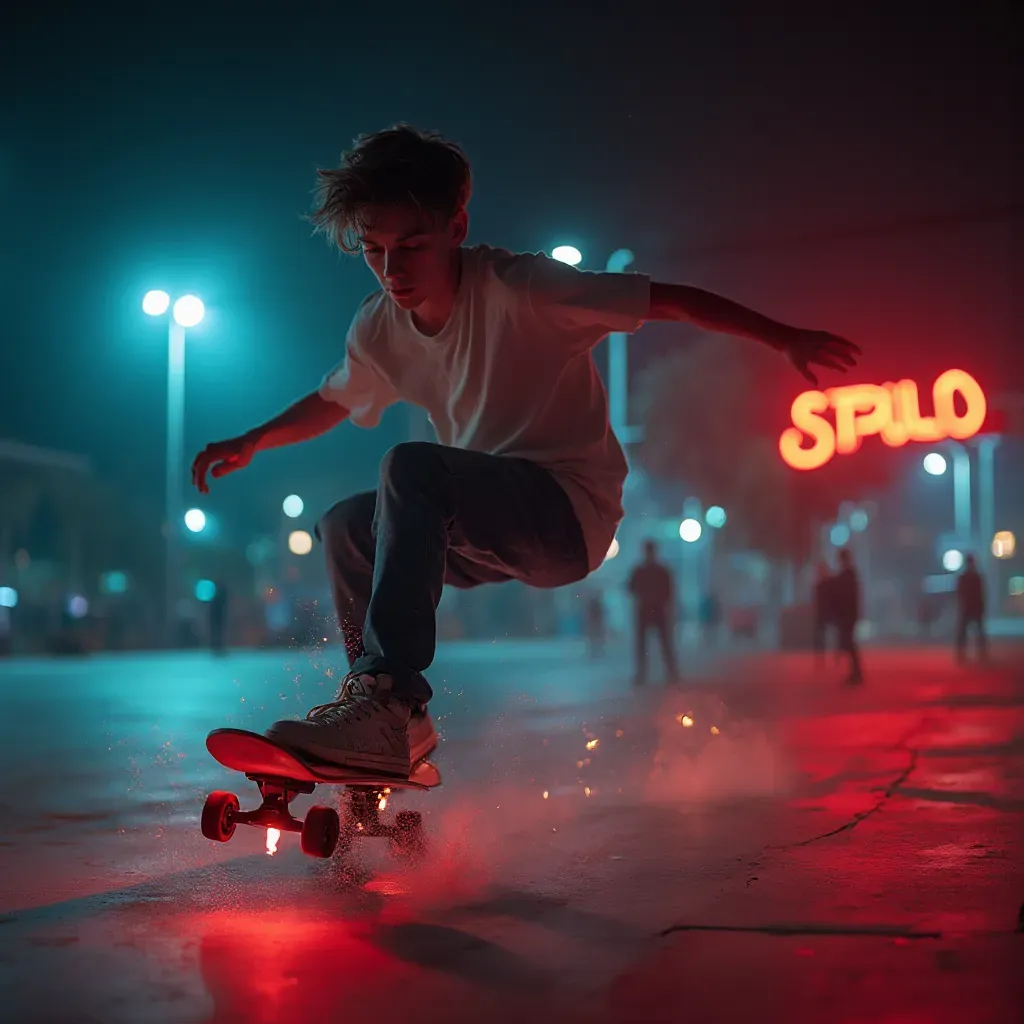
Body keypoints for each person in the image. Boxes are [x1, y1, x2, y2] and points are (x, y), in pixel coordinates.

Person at [190, 125, 860, 777]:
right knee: (343, 526)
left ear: (456, 227)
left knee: (412, 466)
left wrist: (783, 337)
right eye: (374, 250)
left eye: (412, 246)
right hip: (476, 522)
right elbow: (334, 399)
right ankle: (386, 715)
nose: (393, 271)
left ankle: (388, 700)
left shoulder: (524, 288)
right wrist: (253, 440)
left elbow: (670, 302)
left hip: (565, 515)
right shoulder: (380, 328)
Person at [627, 539, 679, 684]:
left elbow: (630, 588)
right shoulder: (660, 570)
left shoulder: (641, 570)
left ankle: (646, 674)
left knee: (653, 644)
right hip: (654, 609)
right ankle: (670, 672)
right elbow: (670, 592)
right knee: (663, 643)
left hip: (648, 609)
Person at [832, 548, 864, 684]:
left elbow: (847, 596)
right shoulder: (849, 575)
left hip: (848, 615)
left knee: (849, 643)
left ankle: (857, 673)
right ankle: (856, 672)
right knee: (849, 642)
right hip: (849, 614)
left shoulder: (848, 575)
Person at [955, 554, 988, 663]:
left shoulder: (964, 577)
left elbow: (959, 594)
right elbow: (981, 594)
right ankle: (981, 654)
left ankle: (961, 655)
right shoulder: (976, 577)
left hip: (967, 607)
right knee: (979, 632)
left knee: (963, 633)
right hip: (974, 607)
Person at [812, 561, 834, 667]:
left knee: (832, 636)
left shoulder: (829, 584)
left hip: (829, 613)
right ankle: (820, 659)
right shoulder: (819, 585)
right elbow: (816, 601)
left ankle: (835, 657)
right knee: (820, 638)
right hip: (821, 614)